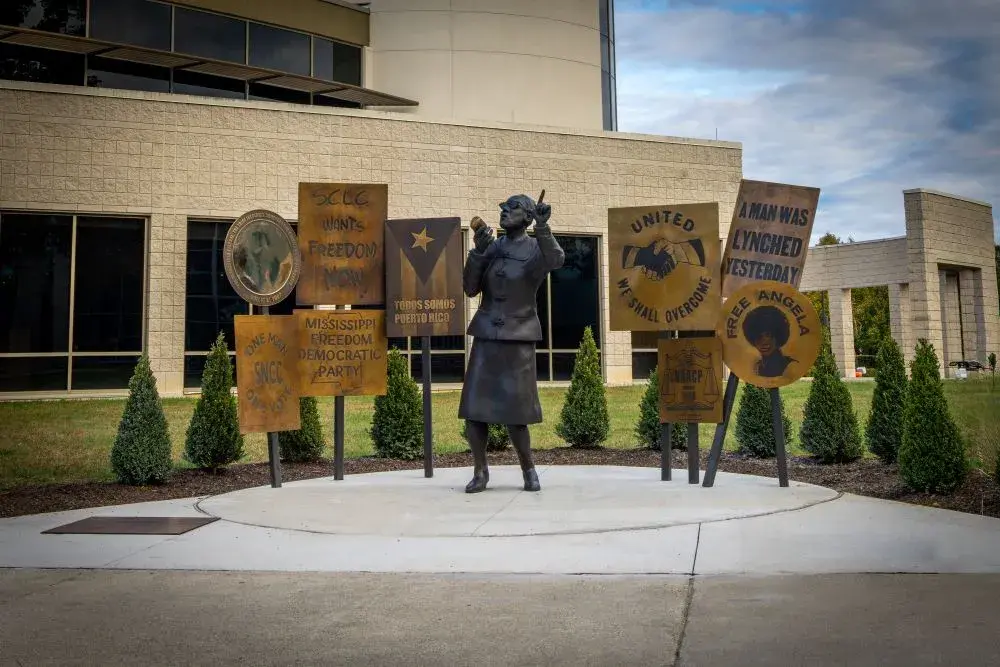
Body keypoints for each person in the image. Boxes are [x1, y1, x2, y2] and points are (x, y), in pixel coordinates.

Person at [458, 193, 565, 493]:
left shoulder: (535, 248)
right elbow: (469, 287)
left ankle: (528, 468)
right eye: (503, 208)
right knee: (474, 409)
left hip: (518, 338)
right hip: (486, 336)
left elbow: (556, 260)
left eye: (513, 208)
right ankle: (480, 471)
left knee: (516, 412)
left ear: (529, 217)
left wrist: (544, 229)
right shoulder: (491, 248)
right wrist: (478, 253)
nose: (504, 212)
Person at [742, 305, 796, 378]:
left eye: (768, 335)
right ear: (753, 339)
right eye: (759, 337)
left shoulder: (790, 366)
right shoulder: (757, 367)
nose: (763, 342)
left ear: (777, 336)